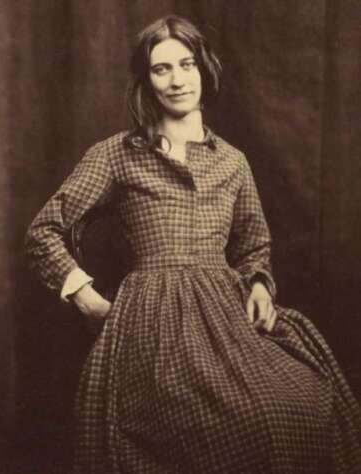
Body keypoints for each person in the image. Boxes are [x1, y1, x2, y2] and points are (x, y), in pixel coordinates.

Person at [25, 15, 361, 473]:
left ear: (204, 69)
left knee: (299, 406)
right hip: (153, 324)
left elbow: (253, 242)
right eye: (162, 69)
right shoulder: (117, 154)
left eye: (186, 64)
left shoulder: (232, 162)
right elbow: (43, 230)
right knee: (223, 427)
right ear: (146, 79)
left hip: (226, 318)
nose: (178, 79)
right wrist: (84, 297)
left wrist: (259, 284)